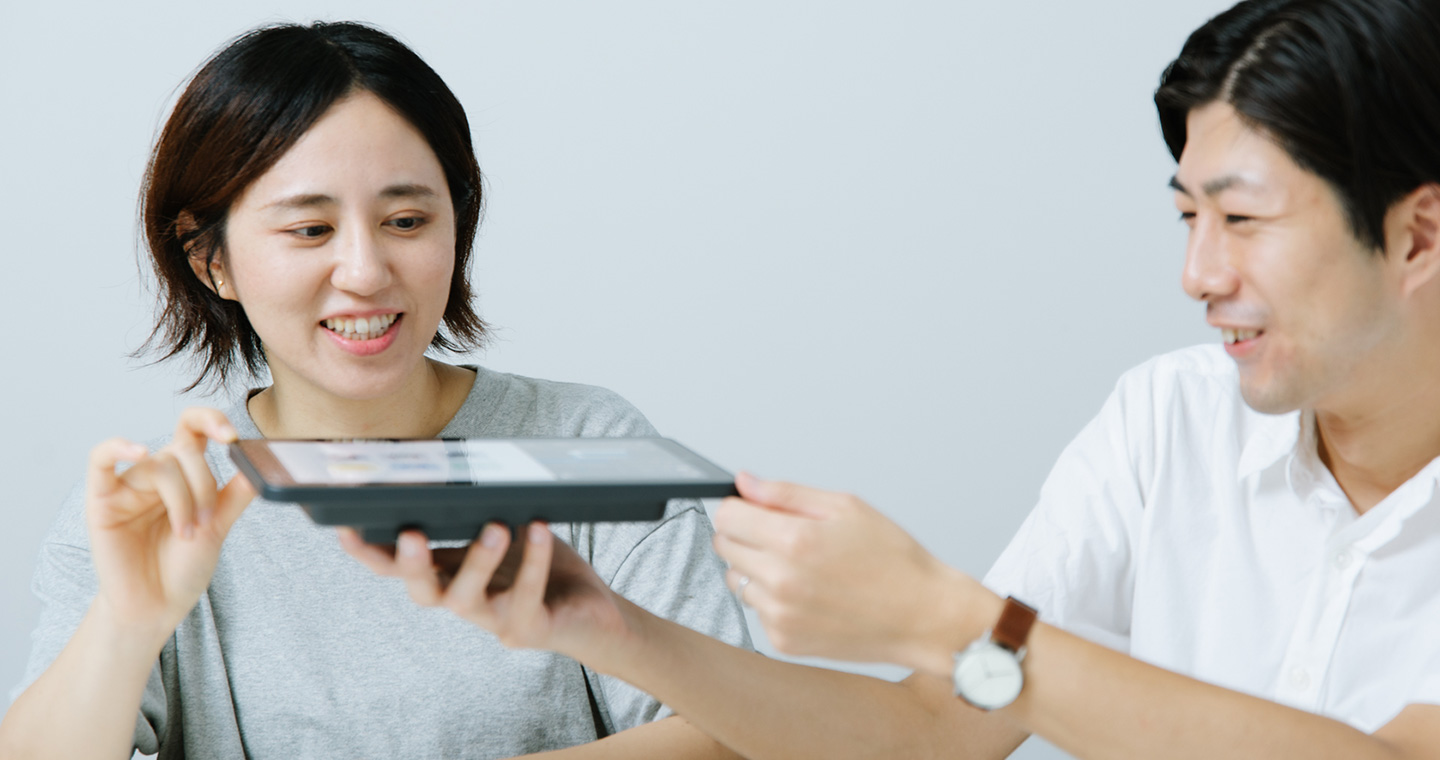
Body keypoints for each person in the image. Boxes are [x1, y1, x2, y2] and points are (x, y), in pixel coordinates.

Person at [346, 1, 1440, 757]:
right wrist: (608, 628)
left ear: (1417, 234)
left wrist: (945, 615)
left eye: (1242, 220)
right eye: (1187, 218)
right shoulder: (1169, 417)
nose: (1198, 275)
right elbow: (935, 733)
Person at [0, 21, 749, 760]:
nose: (364, 271)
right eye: (310, 230)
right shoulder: (156, 512)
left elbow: (728, 730)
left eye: (406, 220)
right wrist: (127, 625)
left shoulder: (588, 446)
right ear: (209, 259)